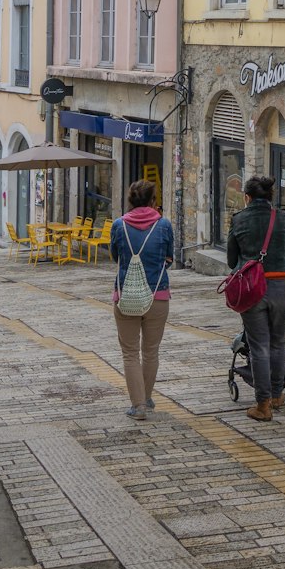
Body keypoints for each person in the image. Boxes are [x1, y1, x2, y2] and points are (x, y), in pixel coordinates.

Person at [227, 175, 285, 422]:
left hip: (253, 290)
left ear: (247, 197)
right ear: (270, 197)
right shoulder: (282, 218)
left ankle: (263, 406)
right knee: (277, 343)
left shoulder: (239, 220)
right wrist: (284, 264)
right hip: (283, 287)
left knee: (258, 345)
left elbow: (232, 261)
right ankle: (276, 394)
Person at [110, 179, 174, 421]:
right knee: (151, 351)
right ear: (153, 201)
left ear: (130, 200)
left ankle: (138, 406)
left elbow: (116, 256)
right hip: (158, 295)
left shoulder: (119, 225)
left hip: (126, 295)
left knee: (129, 353)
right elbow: (170, 257)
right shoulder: (164, 224)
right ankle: (146, 397)